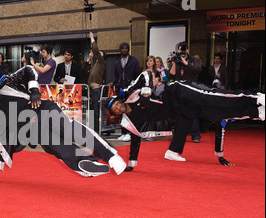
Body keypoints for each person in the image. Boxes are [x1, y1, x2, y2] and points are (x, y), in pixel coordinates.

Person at [0, 65, 127, 180]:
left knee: (68, 130)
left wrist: (34, 90)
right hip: (37, 131)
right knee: (62, 150)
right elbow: (3, 143)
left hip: (44, 109)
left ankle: (110, 155)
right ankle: (88, 164)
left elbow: (28, 70)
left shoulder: (6, 86)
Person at [105, 70, 265, 170]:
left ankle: (255, 97)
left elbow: (146, 73)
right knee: (217, 114)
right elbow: (135, 139)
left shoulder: (130, 94)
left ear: (119, 101)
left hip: (178, 91)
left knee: (214, 98)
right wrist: (132, 164)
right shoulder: (132, 120)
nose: (118, 108)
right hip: (180, 109)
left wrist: (146, 93)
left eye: (117, 104)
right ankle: (257, 112)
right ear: (116, 114)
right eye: (115, 110)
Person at [109, 42, 142, 142]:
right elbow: (116, 77)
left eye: (126, 48)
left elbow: (138, 75)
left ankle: (129, 132)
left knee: (129, 111)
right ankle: (123, 132)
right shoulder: (116, 62)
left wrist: (136, 86)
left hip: (131, 89)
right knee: (121, 110)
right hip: (121, 89)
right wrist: (113, 82)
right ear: (120, 50)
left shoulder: (134, 61)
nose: (124, 50)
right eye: (122, 48)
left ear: (128, 49)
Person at [86, 31, 107, 133]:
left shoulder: (102, 63)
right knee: (90, 111)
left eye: (100, 54)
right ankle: (91, 130)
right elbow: (83, 69)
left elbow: (96, 51)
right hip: (90, 90)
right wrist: (89, 59)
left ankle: (97, 131)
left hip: (96, 90)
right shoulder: (94, 64)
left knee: (96, 111)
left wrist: (92, 39)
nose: (98, 55)